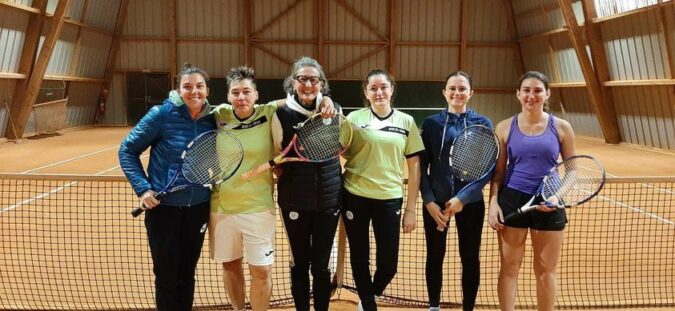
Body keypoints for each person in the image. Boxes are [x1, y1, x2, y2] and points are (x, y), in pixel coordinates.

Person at [209, 65, 335, 311]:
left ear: (257, 95)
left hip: (258, 206)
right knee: (230, 266)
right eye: (235, 92)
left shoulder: (267, 113)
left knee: (262, 270)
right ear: (227, 96)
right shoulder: (218, 115)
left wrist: (326, 98)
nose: (241, 97)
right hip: (222, 208)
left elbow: (300, 97)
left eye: (247, 92)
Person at [118, 63, 214, 311]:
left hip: (198, 207)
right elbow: (127, 150)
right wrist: (144, 189)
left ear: (207, 90)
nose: (194, 91)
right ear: (179, 89)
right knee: (167, 275)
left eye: (200, 86)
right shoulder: (161, 114)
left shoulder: (213, 118)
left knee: (188, 272)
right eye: (188, 86)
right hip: (164, 209)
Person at [487, 71, 576, 311]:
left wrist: (557, 196)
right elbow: (498, 173)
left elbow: (572, 171)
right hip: (513, 199)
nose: (531, 95)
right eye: (526, 90)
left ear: (547, 94)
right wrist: (493, 203)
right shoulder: (505, 127)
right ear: (518, 94)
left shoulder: (562, 127)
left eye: (537, 90)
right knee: (509, 268)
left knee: (546, 270)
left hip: (550, 201)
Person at [341, 69, 424, 311]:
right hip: (354, 195)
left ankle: (371, 292)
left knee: (389, 264)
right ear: (366, 93)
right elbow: (341, 152)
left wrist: (410, 209)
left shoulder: (406, 121)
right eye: (373, 88)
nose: (379, 92)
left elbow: (415, 166)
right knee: (360, 255)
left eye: (383, 87)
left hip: (389, 199)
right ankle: (368, 303)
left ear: (391, 90)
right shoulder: (353, 119)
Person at [270, 56, 341, 311]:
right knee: (299, 263)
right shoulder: (280, 114)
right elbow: (278, 154)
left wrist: (329, 102)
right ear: (293, 82)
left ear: (321, 83)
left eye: (314, 79)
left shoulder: (336, 110)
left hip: (329, 199)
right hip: (294, 200)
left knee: (321, 266)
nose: (308, 84)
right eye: (302, 79)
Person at [420, 71, 493, 311]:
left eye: (462, 88)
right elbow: (421, 166)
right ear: (444, 92)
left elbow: (487, 168)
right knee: (435, 255)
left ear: (471, 93)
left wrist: (463, 198)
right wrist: (430, 201)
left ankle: (468, 308)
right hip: (436, 204)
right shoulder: (431, 124)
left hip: (470, 203)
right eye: (452, 88)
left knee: (470, 257)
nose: (457, 93)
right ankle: (433, 306)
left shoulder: (482, 124)